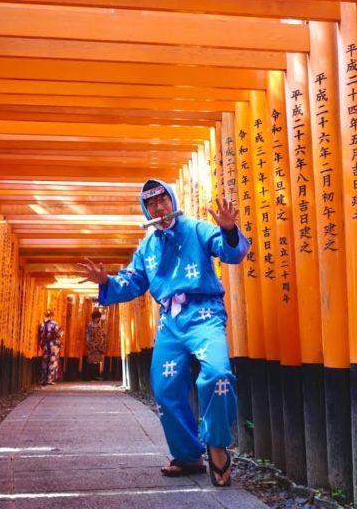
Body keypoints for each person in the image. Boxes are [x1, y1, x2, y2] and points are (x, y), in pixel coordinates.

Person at [77, 179, 249, 487]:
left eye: (162, 200)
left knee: (218, 374)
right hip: (170, 320)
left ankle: (216, 444)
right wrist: (106, 281)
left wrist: (229, 230)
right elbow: (132, 282)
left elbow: (231, 253)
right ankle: (188, 455)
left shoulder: (196, 229)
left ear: (172, 200)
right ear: (146, 209)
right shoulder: (146, 248)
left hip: (204, 313)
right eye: (151, 203)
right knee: (165, 386)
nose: (159, 208)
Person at [37, 309, 63, 386]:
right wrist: (59, 343)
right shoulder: (54, 324)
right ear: (52, 316)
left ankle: (43, 378)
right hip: (53, 345)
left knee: (45, 361)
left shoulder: (41, 324)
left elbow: (40, 336)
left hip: (45, 345)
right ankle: (50, 379)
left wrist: (41, 344)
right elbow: (59, 334)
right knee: (52, 361)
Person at [84, 309, 107, 381]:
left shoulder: (92, 325)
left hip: (94, 345)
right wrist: (97, 345)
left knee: (94, 361)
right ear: (95, 318)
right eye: (98, 318)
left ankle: (92, 376)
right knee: (93, 361)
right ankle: (91, 376)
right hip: (94, 346)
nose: (99, 319)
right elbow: (95, 336)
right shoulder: (93, 326)